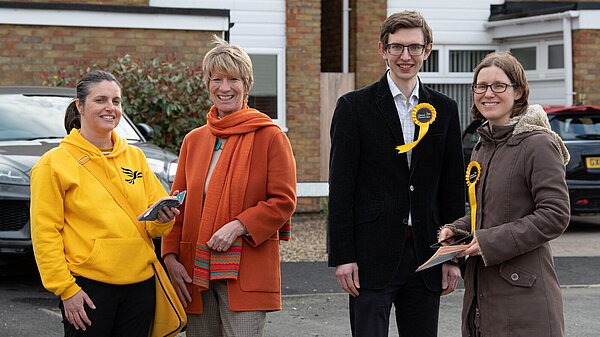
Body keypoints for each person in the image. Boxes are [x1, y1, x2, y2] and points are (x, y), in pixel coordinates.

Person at [328, 10, 466, 337]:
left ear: (427, 50)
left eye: (414, 48)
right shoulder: (353, 108)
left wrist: (452, 256)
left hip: (426, 255)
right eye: (397, 47)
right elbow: (342, 188)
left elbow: (451, 191)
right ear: (382, 50)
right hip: (369, 257)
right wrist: (343, 256)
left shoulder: (444, 110)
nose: (406, 56)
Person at [161, 36, 297, 337]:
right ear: (208, 84)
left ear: (246, 84)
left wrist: (238, 225)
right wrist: (170, 257)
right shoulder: (194, 140)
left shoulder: (270, 136)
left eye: (233, 79)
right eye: (217, 79)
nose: (224, 87)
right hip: (194, 269)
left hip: (246, 266)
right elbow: (176, 205)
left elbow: (283, 201)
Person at [30, 70, 180, 336]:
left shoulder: (134, 157)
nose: (110, 108)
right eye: (101, 100)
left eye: (116, 101)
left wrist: (163, 219)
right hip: (88, 289)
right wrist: (66, 290)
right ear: (80, 106)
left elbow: (151, 225)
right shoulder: (53, 164)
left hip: (140, 286)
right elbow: (45, 234)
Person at [438, 51, 570, 337]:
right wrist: (458, 230)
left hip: (525, 298)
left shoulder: (538, 144)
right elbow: (486, 211)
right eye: (481, 86)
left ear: (518, 91)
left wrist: (488, 242)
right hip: (480, 295)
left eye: (499, 85)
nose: (488, 94)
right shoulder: (482, 146)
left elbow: (555, 215)